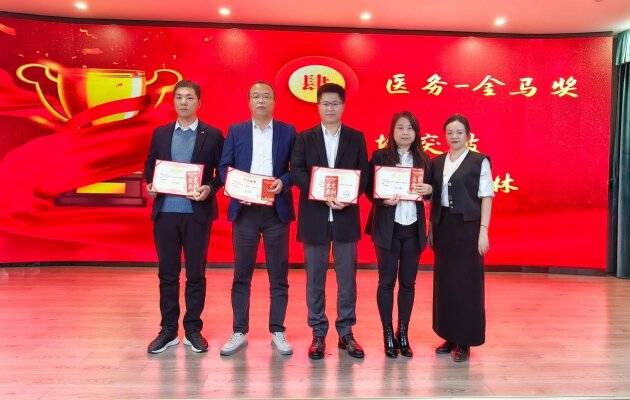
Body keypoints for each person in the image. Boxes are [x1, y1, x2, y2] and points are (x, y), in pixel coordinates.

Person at [144, 80, 224, 354]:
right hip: (166, 213)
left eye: (189, 98)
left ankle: (192, 329)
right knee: (167, 273)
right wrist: (151, 185)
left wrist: (209, 188)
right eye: (179, 97)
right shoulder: (161, 133)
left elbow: (222, 172)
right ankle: (168, 330)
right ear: (173, 102)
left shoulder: (212, 135)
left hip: (196, 214)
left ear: (199, 103)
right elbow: (150, 166)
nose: (184, 102)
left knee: (196, 273)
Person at [291, 83, 369, 360]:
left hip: (345, 216)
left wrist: (348, 198)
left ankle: (346, 332)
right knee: (315, 278)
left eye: (335, 103)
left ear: (343, 106)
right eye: (325, 103)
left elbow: (363, 174)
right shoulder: (305, 138)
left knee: (347, 279)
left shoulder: (356, 137)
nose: (330, 108)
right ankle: (318, 332)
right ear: (318, 106)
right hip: (315, 216)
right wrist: (319, 192)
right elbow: (297, 171)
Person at [218, 81, 297, 356]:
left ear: (274, 102)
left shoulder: (288, 131)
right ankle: (239, 331)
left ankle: (278, 330)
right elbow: (224, 166)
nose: (261, 100)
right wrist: (236, 187)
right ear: (249, 102)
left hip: (276, 211)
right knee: (242, 274)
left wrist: (283, 182)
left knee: (279, 275)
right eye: (256, 96)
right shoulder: (236, 131)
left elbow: (296, 169)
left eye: (266, 96)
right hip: (245, 211)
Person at [365, 111, 432, 358]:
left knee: (408, 283)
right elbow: (368, 189)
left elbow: (431, 192)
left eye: (410, 128)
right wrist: (383, 200)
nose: (405, 132)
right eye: (401, 127)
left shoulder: (425, 159)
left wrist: (429, 189)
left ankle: (403, 333)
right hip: (388, 228)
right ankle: (387, 333)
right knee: (386, 283)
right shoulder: (380, 156)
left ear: (416, 133)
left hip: (413, 228)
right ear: (392, 131)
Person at [430, 114, 494, 362]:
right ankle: (449, 335)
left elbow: (486, 196)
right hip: (443, 227)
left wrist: (483, 230)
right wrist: (431, 227)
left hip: (468, 228)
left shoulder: (479, 161)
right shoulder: (437, 162)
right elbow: (434, 197)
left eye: (459, 132)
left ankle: (465, 340)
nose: (454, 136)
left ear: (468, 135)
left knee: (467, 284)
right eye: (449, 132)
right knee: (445, 283)